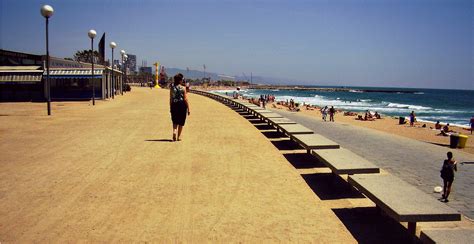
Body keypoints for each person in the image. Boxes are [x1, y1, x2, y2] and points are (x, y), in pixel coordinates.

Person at [169, 73, 190, 141]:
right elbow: (185, 99)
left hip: (174, 104)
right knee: (181, 121)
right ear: (180, 80)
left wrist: (171, 107)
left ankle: (174, 131)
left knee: (175, 120)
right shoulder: (183, 88)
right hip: (182, 105)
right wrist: (188, 108)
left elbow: (171, 98)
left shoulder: (172, 88)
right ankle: (179, 136)